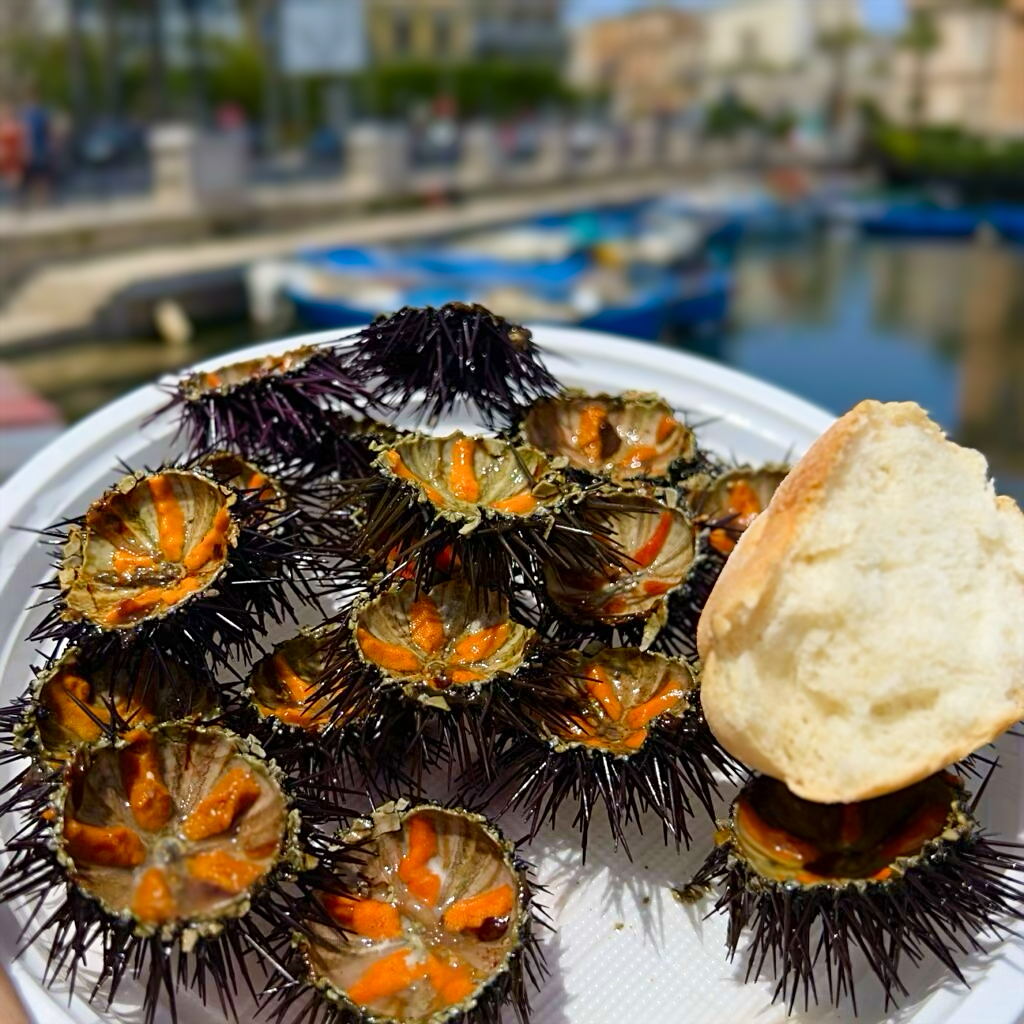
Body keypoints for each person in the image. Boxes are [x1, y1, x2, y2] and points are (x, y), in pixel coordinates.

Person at [19, 91, 54, 202]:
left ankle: (43, 200)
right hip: (29, 150)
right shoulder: (24, 114)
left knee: (42, 175)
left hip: (40, 149)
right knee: (29, 177)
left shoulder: (41, 114)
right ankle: (32, 200)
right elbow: (22, 133)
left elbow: (47, 131)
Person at [0, 104, 24, 193]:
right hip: (6, 157)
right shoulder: (3, 127)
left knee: (14, 178)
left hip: (13, 157)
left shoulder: (17, 126)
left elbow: (21, 142)